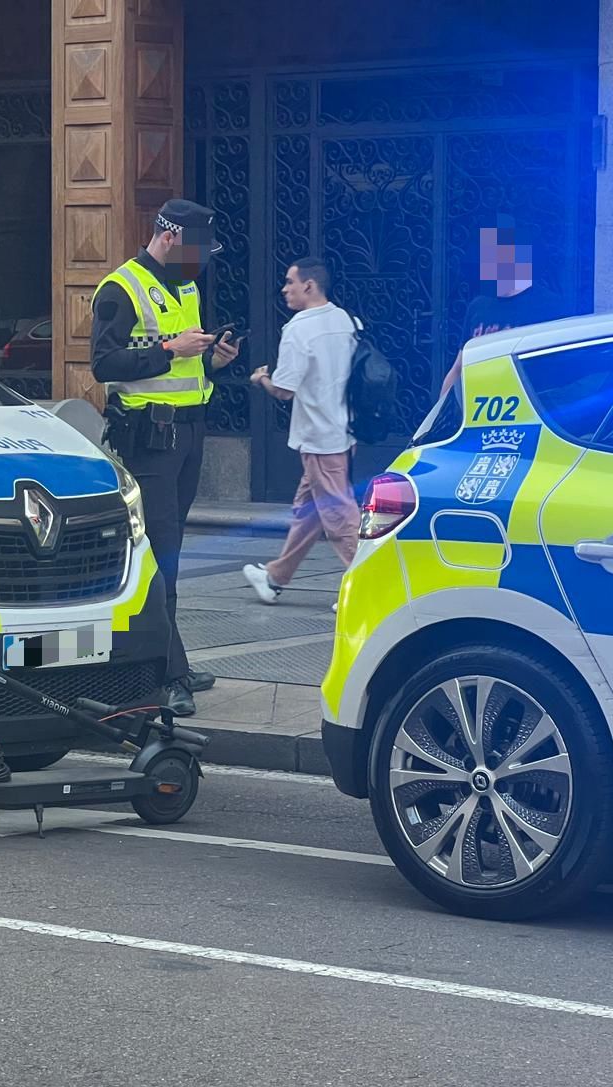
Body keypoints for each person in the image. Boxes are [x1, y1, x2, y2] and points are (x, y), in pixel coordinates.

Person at [91, 198, 240, 718]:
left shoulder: (187, 287)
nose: (200, 262)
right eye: (195, 250)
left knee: (171, 554)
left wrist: (212, 359)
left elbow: (186, 370)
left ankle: (170, 659)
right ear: (170, 237)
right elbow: (103, 363)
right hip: (149, 441)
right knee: (159, 558)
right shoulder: (122, 287)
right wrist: (172, 350)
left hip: (188, 434)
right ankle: (164, 675)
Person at [242, 258, 359, 608]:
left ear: (309, 286)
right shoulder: (345, 320)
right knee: (309, 512)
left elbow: (285, 389)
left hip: (319, 436)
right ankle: (275, 577)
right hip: (343, 429)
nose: (284, 288)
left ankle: (365, 584)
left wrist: (261, 378)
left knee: (339, 516)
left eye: (290, 282)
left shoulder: (298, 329)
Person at [437, 219, 566, 403]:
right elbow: (459, 366)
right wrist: (437, 415)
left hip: (529, 407)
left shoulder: (550, 306)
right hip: (480, 407)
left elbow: (560, 367)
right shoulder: (478, 306)